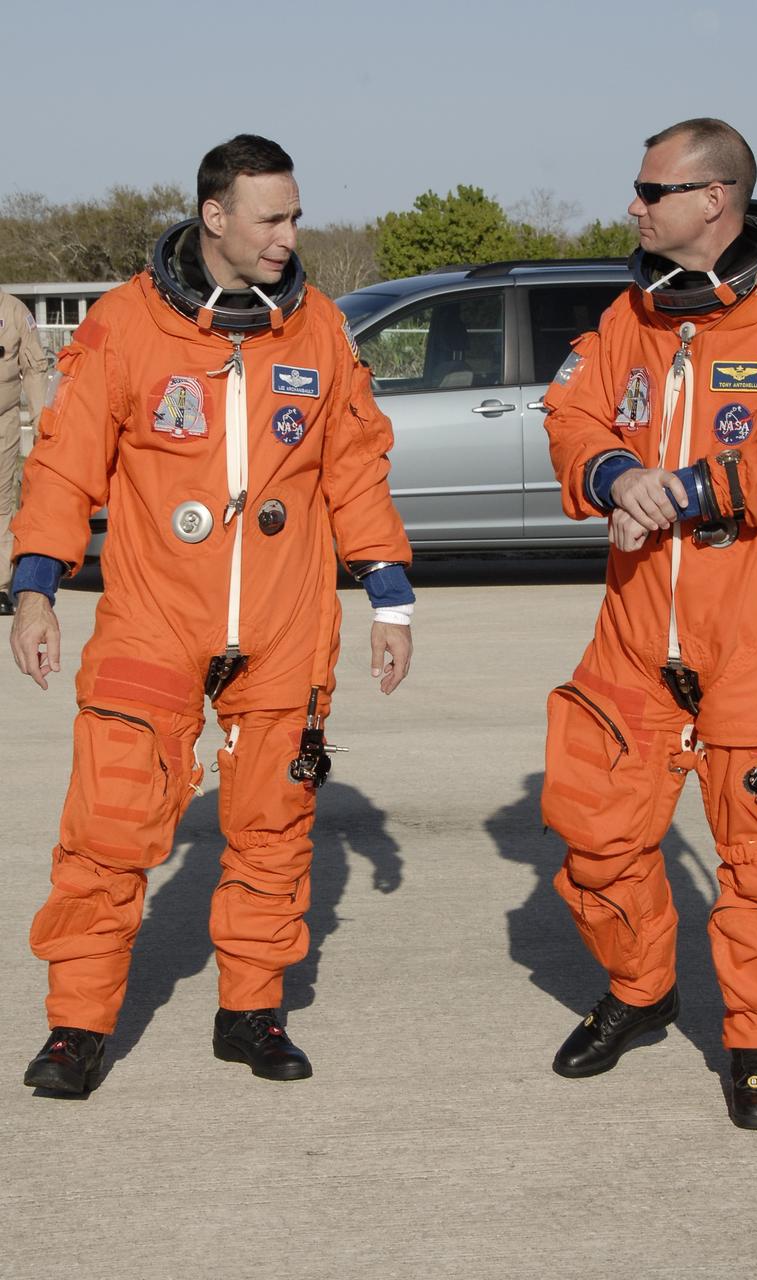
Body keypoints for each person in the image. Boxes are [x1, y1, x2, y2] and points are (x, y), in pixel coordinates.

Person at [9, 135, 415, 1094]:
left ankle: (252, 1012)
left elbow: (357, 467)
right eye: (270, 218)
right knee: (108, 827)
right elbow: (64, 464)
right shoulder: (124, 326)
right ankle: (77, 1029)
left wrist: (391, 600)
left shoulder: (319, 330)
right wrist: (34, 591)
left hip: (283, 627)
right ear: (215, 216)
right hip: (153, 619)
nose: (289, 236)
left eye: (296, 216)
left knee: (274, 829)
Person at [541, 118, 757, 1129]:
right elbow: (573, 414)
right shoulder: (632, 312)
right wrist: (613, 473)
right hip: (639, 632)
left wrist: (681, 489)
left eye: (652, 190)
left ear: (714, 198)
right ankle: (642, 990)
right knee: (596, 833)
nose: (634, 205)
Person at [0, 288, 48, 615]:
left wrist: (41, 421)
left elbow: (34, 368)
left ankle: (1, 585)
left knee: (2, 500)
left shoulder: (14, 311)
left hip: (3, 422)